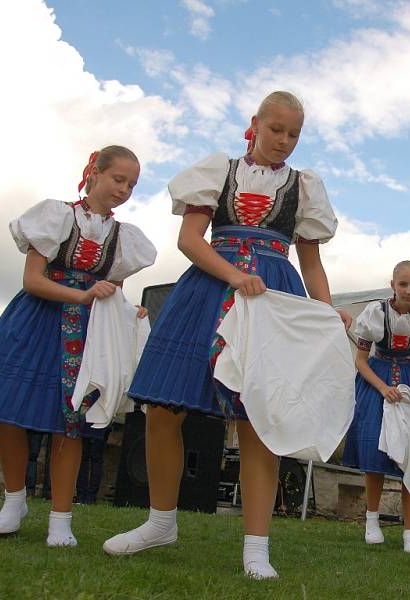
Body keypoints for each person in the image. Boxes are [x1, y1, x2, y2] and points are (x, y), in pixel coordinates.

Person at [103, 91, 351, 581]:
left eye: (294, 134)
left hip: (272, 298)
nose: (284, 141)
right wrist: (234, 275)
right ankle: (160, 522)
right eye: (276, 129)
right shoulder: (220, 169)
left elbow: (312, 262)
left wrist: (325, 313)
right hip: (208, 290)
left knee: (258, 420)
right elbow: (190, 239)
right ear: (255, 125)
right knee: (164, 407)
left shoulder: (305, 187)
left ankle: (256, 547)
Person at [0, 145, 156, 547]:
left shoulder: (122, 238)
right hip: (35, 320)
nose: (124, 189)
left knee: (72, 420)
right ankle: (14, 500)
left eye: (132, 184)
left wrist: (129, 311)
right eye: (118, 179)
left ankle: (61, 518)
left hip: (87, 331)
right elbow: (32, 280)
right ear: (94, 175)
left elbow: (113, 292)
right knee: (10, 410)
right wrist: (82, 295)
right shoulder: (56, 217)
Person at [341, 260, 410, 554]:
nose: (409, 290)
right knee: (376, 449)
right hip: (378, 379)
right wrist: (382, 387)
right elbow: (360, 361)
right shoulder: (376, 313)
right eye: (403, 284)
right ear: (392, 284)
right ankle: (372, 520)